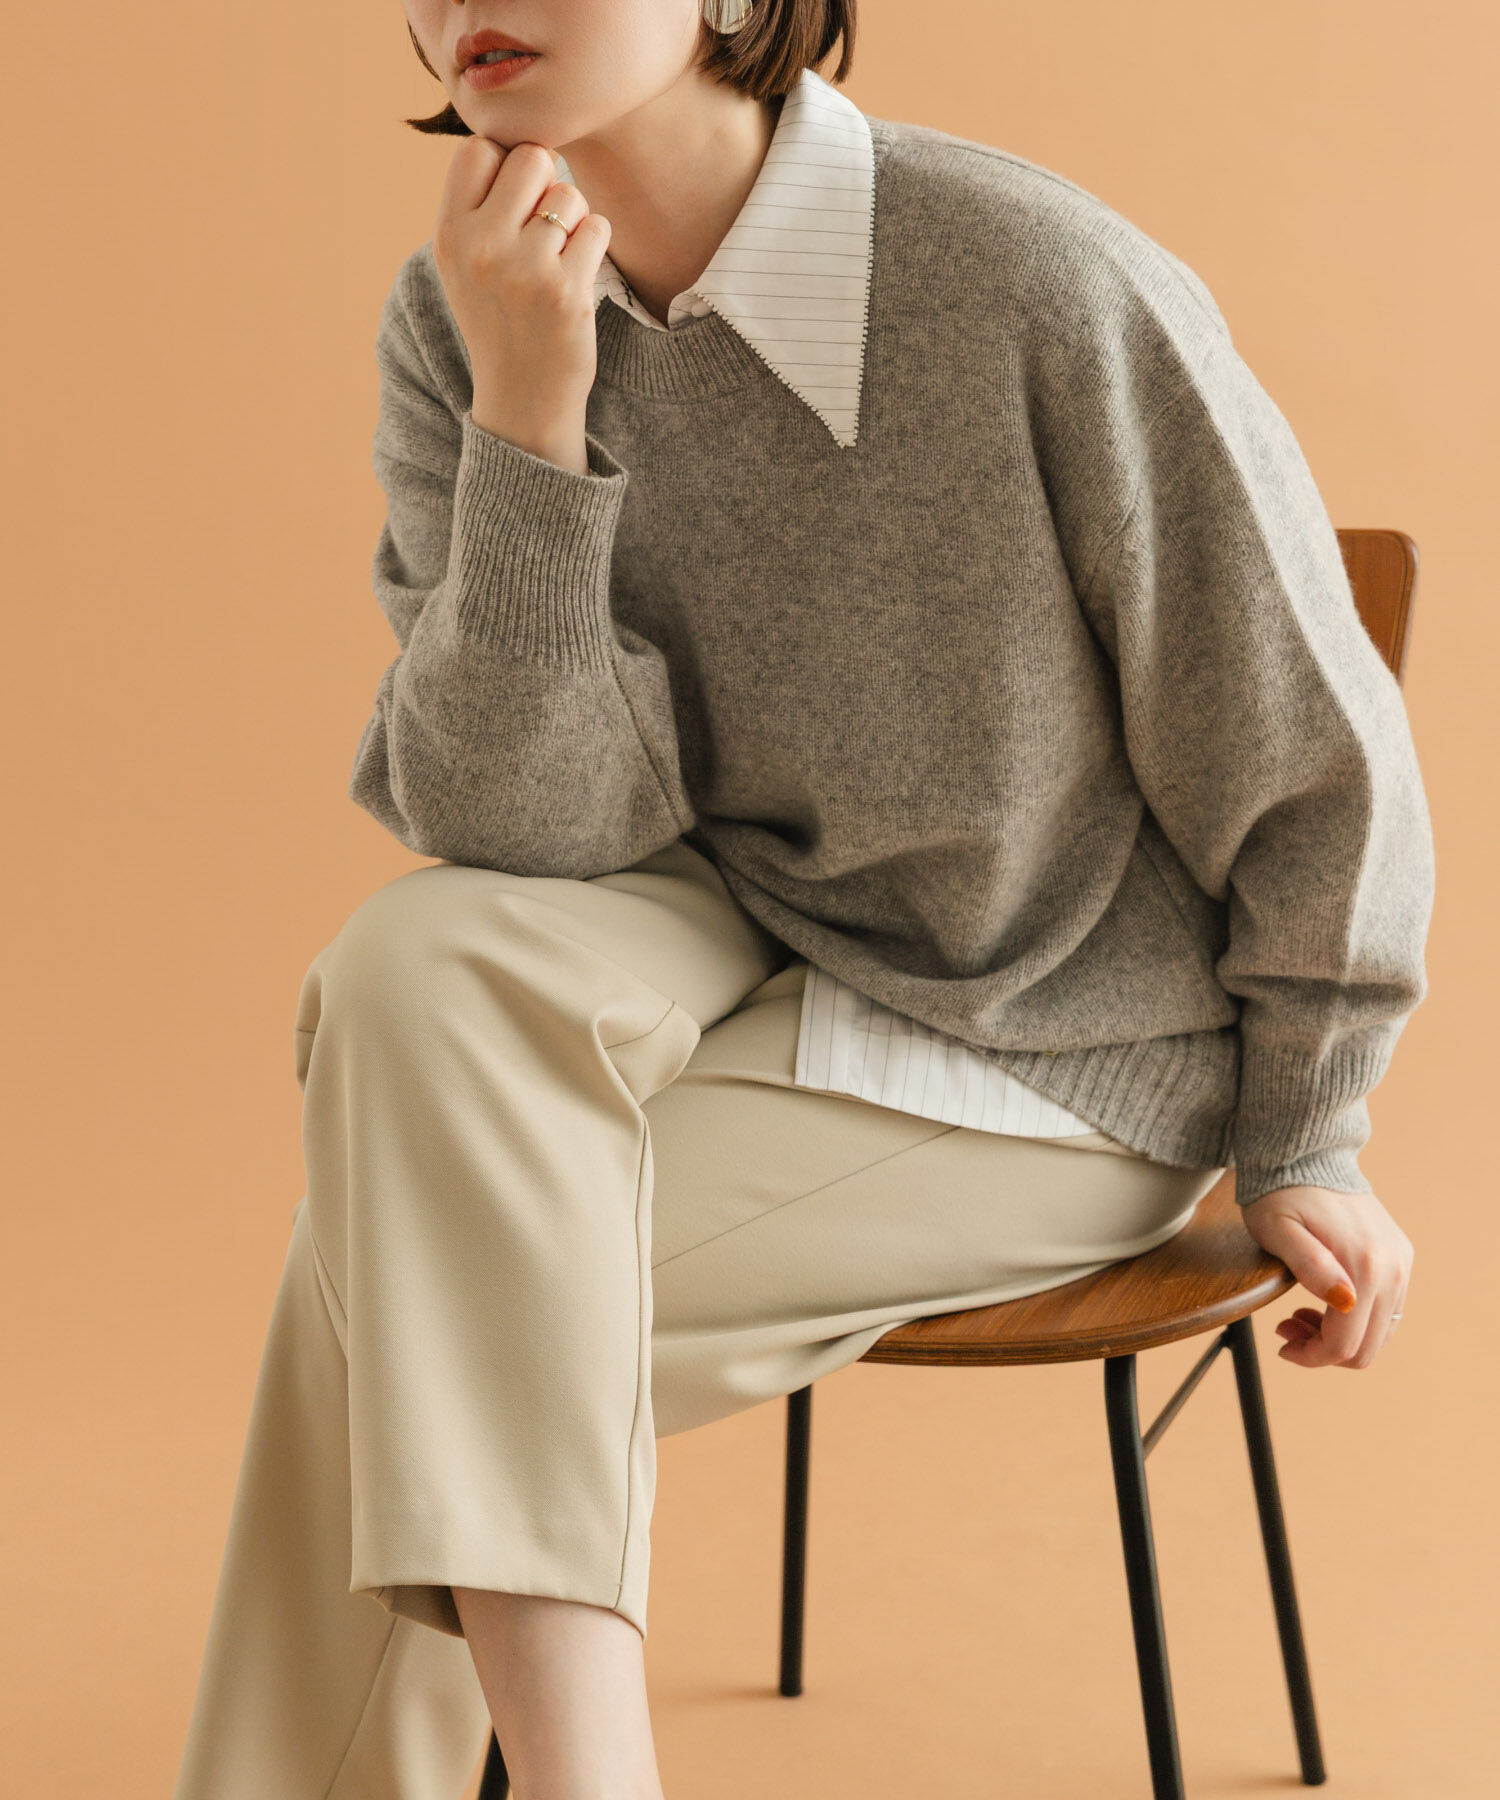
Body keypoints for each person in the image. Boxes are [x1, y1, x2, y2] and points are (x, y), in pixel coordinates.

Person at [170, 2, 1433, 1797]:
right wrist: (530, 418)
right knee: (413, 962)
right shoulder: (464, 316)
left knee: (383, 1275)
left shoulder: (1028, 278)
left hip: (1058, 1031)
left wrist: (1311, 1127)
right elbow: (517, 830)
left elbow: (1309, 745)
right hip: (730, 922)